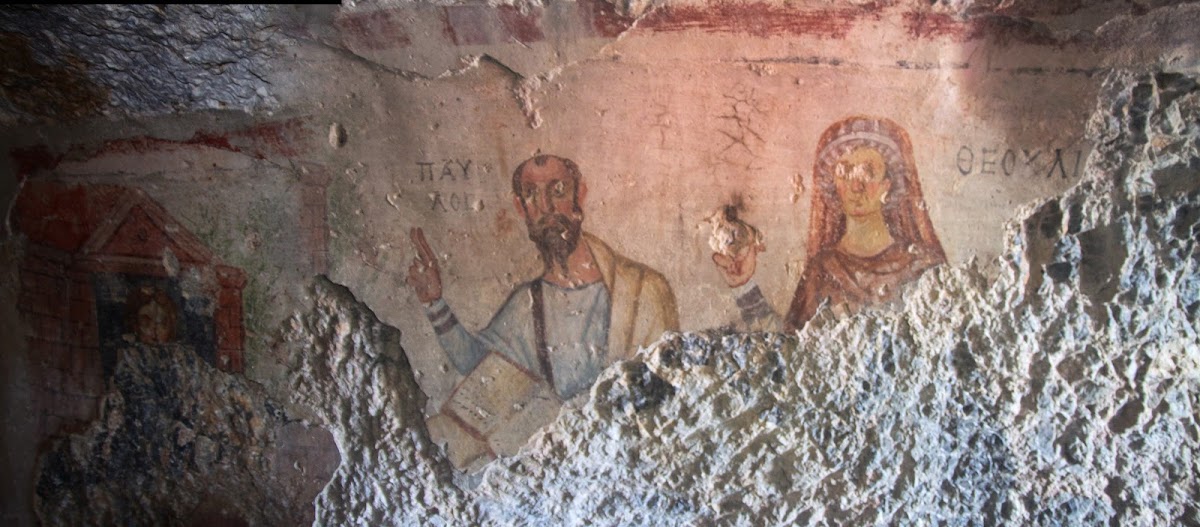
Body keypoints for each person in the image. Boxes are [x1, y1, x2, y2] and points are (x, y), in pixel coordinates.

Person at [408, 154, 679, 401]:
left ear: (579, 196)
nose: (546, 206)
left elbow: (667, 387)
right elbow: (477, 363)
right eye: (531, 194)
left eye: (558, 190)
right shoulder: (528, 303)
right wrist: (434, 304)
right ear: (520, 207)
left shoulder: (644, 290)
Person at [713, 116, 946, 332]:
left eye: (867, 172)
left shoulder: (920, 266)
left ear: (886, 186)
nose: (856, 187)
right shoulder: (822, 271)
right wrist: (744, 286)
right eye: (844, 172)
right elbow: (790, 349)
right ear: (834, 184)